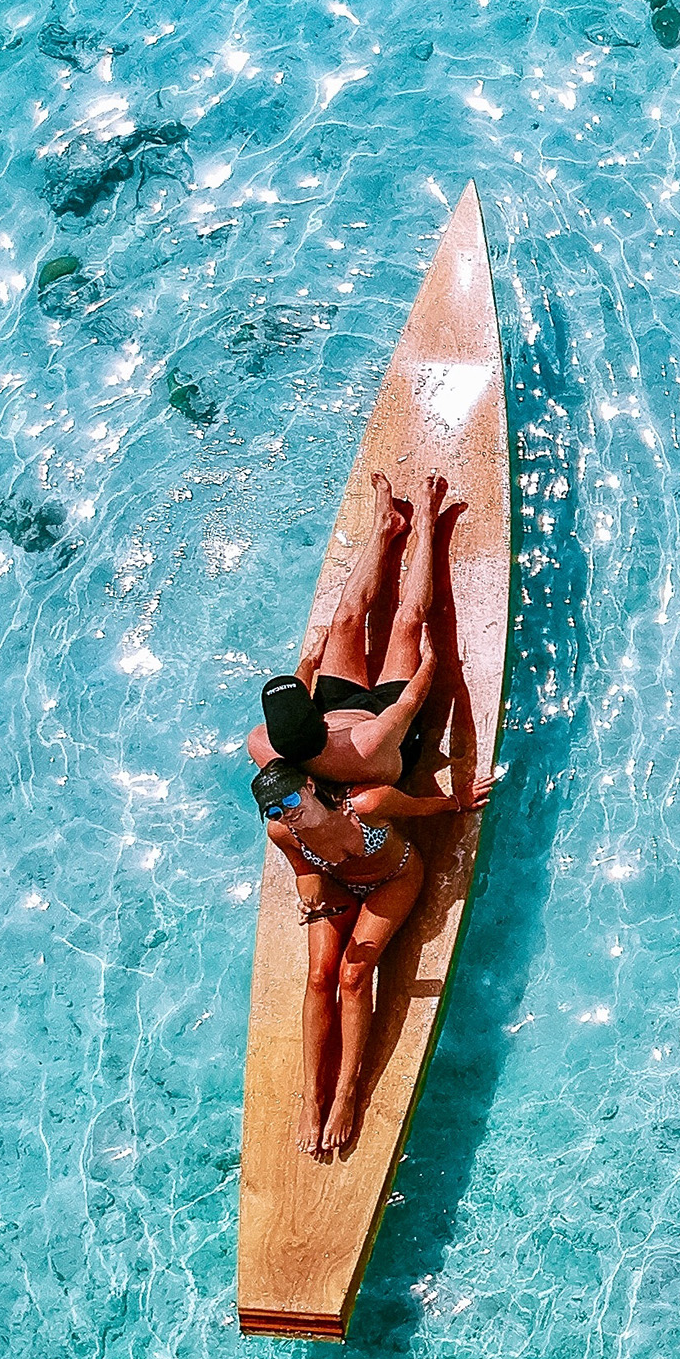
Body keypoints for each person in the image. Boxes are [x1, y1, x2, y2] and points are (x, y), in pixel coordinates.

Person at [251, 758, 492, 1157]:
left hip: (394, 878)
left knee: (354, 975)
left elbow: (418, 807)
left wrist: (456, 801)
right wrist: (308, 891)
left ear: (310, 785)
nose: (287, 812)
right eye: (275, 810)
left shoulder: (367, 805)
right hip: (340, 887)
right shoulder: (284, 831)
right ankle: (312, 1099)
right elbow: (303, 869)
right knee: (318, 978)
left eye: (291, 799)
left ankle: (346, 1092)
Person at [247, 473, 451, 789]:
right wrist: (428, 664)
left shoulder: (264, 742)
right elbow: (409, 702)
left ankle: (385, 526)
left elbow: (297, 698)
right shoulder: (370, 744)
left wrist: (311, 661)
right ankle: (426, 523)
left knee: (344, 619)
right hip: (388, 720)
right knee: (408, 622)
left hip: (337, 708)